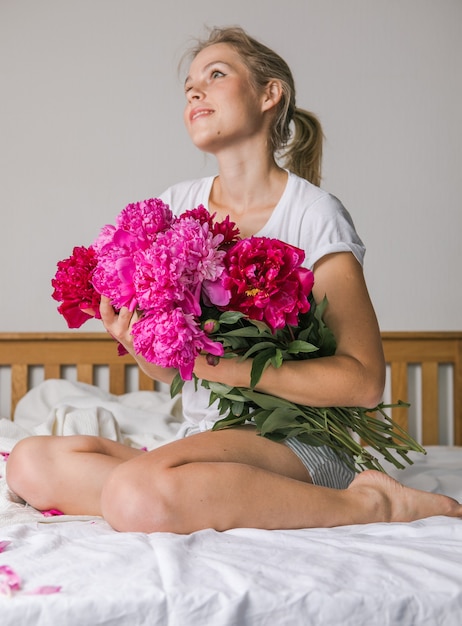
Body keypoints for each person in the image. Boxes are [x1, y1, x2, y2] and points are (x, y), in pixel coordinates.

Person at [6, 26, 461, 533]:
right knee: (29, 463)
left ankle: (373, 503)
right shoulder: (177, 206)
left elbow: (364, 381)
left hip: (297, 444)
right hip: (206, 436)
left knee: (134, 495)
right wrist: (136, 341)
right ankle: (178, 490)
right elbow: (173, 374)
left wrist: (227, 369)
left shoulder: (313, 215)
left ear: (270, 94)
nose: (195, 91)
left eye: (215, 75)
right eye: (189, 87)